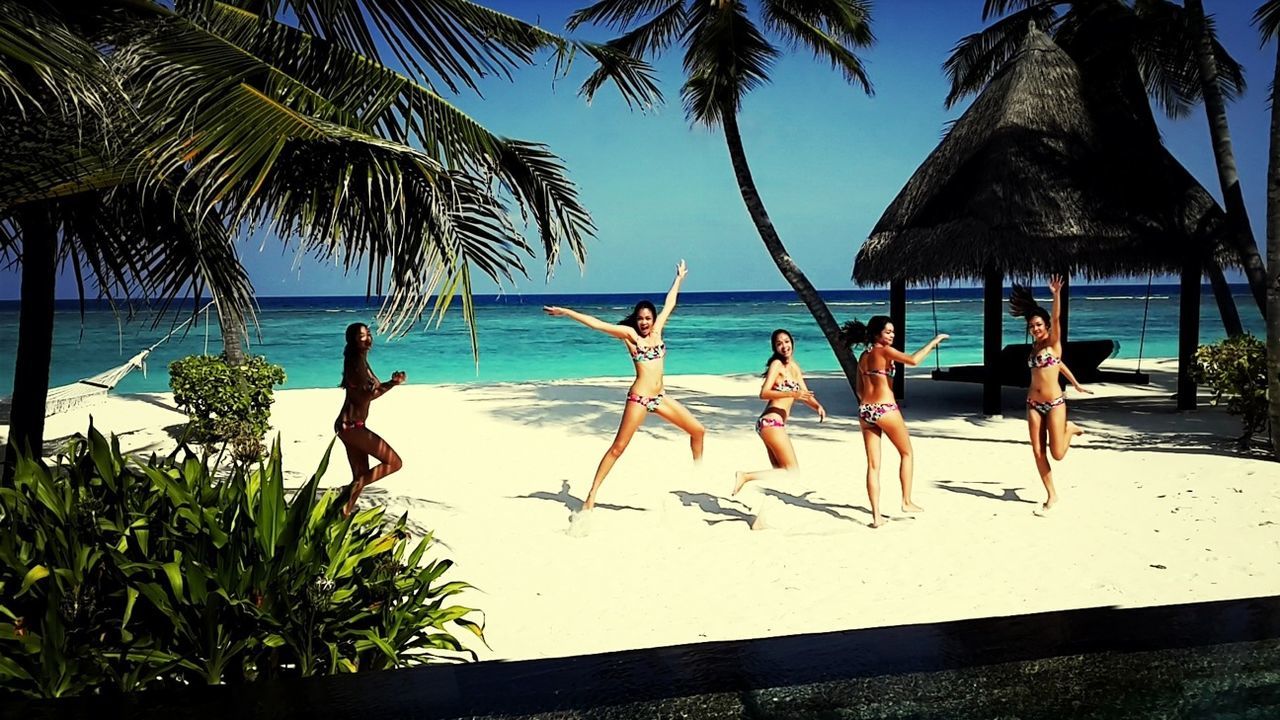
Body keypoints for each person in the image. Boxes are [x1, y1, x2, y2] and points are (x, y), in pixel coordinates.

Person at [543, 260, 705, 511]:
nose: (644, 322)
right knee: (618, 447)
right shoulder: (630, 337)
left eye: (647, 318)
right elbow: (596, 324)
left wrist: (679, 279)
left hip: (660, 397)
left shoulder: (658, 332)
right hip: (639, 399)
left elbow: (670, 303)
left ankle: (699, 477)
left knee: (698, 431)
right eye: (640, 318)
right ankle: (592, 495)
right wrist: (565, 312)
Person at [844, 316, 948, 528]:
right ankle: (906, 501)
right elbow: (913, 361)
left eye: (893, 332)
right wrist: (933, 342)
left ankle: (876, 517)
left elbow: (859, 388)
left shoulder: (864, 356)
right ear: (876, 334)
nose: (892, 335)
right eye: (888, 332)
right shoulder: (884, 351)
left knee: (873, 465)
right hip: (885, 408)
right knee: (906, 453)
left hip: (865, 410)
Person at [1009, 276, 1090, 516]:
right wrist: (1075, 381)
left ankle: (1070, 429)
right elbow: (1058, 366)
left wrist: (1056, 295)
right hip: (1033, 404)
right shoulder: (1035, 348)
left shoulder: (1054, 343)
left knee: (1057, 453)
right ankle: (1051, 495)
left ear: (1046, 326)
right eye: (1032, 326)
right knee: (1037, 451)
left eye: (1039, 325)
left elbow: (1056, 318)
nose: (1035, 329)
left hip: (1055, 404)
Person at [732, 329, 826, 496]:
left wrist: (817, 406)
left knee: (781, 476)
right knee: (792, 471)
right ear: (775, 348)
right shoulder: (777, 365)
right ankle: (745, 476)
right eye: (779, 344)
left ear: (792, 343)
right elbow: (764, 393)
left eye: (786, 342)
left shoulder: (794, 367)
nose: (784, 346)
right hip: (771, 423)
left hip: (771, 425)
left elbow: (804, 394)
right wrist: (792, 393)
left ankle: (760, 517)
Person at [334, 322, 405, 518]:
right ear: (354, 341)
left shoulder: (361, 361)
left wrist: (392, 382)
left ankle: (344, 511)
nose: (368, 338)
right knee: (394, 463)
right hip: (351, 427)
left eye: (368, 334)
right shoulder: (355, 363)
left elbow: (372, 390)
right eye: (362, 336)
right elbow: (365, 396)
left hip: (349, 426)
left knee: (361, 474)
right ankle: (347, 491)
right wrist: (392, 384)